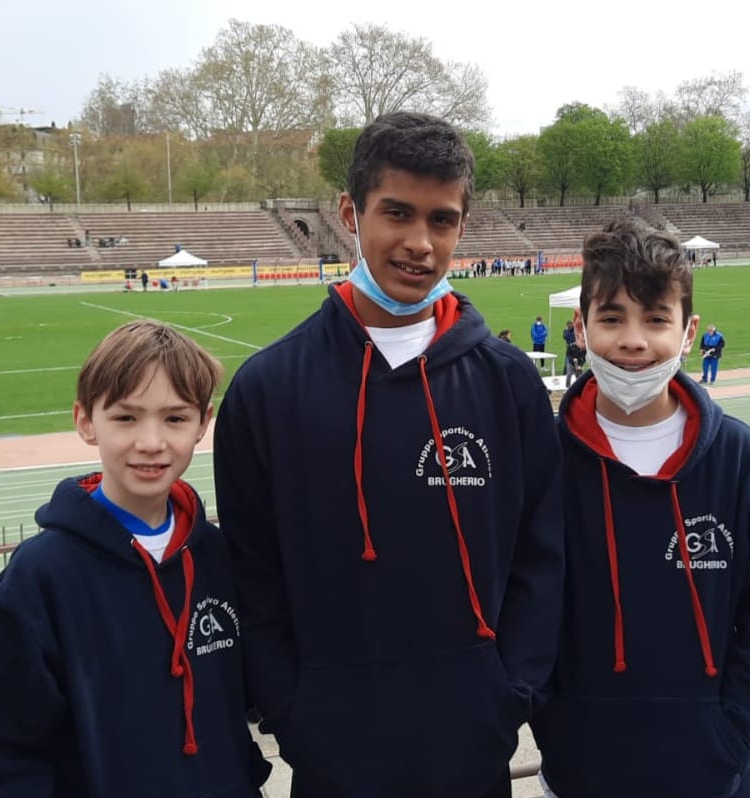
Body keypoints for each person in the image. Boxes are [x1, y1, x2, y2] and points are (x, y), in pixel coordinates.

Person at [214, 111, 564, 798]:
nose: (419, 243)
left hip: (473, 746)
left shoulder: (508, 383)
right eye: (396, 213)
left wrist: (508, 695)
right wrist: (295, 714)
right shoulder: (267, 390)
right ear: (350, 212)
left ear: (462, 226)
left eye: (441, 220)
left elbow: (542, 555)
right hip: (330, 757)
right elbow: (252, 577)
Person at [529, 219, 750, 798]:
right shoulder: (545, 460)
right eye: (612, 318)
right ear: (580, 327)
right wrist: (560, 728)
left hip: (718, 778)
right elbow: (521, 611)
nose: (634, 340)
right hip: (581, 775)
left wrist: (729, 734)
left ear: (689, 331)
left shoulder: (736, 455)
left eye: (656, 319)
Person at [0, 321, 270, 797]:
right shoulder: (41, 576)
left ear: (203, 423)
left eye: (175, 418)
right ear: (85, 421)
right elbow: (1, 755)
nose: (151, 442)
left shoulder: (217, 555)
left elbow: (238, 698)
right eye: (126, 418)